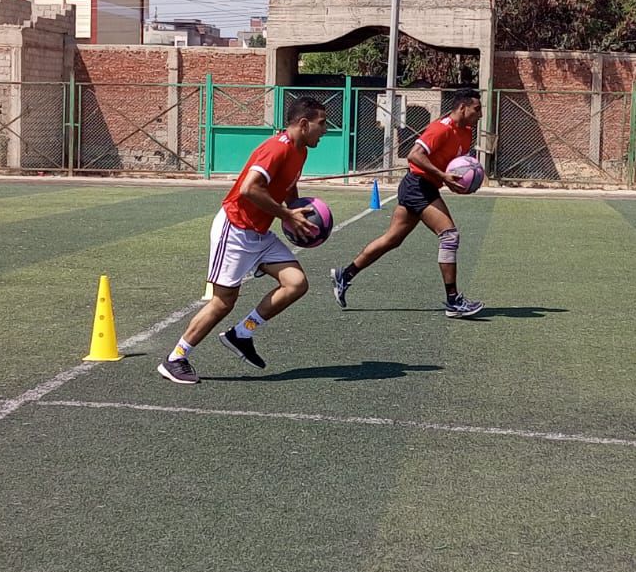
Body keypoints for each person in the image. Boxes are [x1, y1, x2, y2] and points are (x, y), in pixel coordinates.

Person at [158, 97, 329, 385]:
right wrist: (286, 214)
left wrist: (294, 210)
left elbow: (288, 186)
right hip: (235, 230)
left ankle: (241, 333)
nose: (325, 130)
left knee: (296, 283)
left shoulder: (300, 151)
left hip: (259, 234)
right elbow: (249, 188)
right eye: (321, 124)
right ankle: (175, 358)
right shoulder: (276, 148)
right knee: (223, 302)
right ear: (303, 124)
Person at [331, 90, 485, 318]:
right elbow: (414, 155)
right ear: (462, 108)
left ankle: (345, 275)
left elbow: (451, 165)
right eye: (477, 109)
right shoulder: (441, 128)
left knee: (391, 239)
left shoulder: (466, 132)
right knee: (449, 236)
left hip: (424, 186)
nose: (480, 114)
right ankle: (453, 302)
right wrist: (442, 176)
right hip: (418, 186)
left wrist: (453, 181)